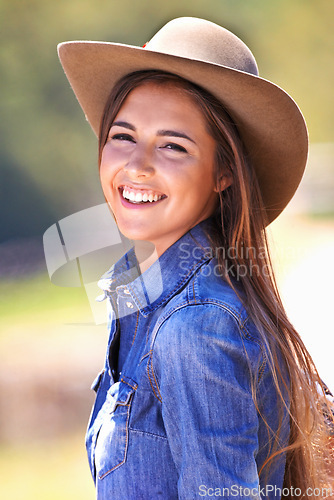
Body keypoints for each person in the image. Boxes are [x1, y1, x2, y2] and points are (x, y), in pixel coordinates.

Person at [57, 17, 333, 499]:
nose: (137, 165)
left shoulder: (195, 325)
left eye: (172, 146)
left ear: (223, 173)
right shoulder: (143, 305)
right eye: (123, 136)